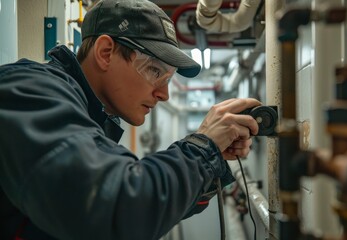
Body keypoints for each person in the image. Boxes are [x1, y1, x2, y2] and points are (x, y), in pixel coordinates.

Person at [0, 0, 261, 239]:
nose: (164, 94)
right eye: (154, 70)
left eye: (168, 79)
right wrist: (202, 149)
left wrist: (211, 162)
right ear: (105, 52)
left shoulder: (90, 117)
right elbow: (119, 210)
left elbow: (145, 203)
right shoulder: (30, 92)